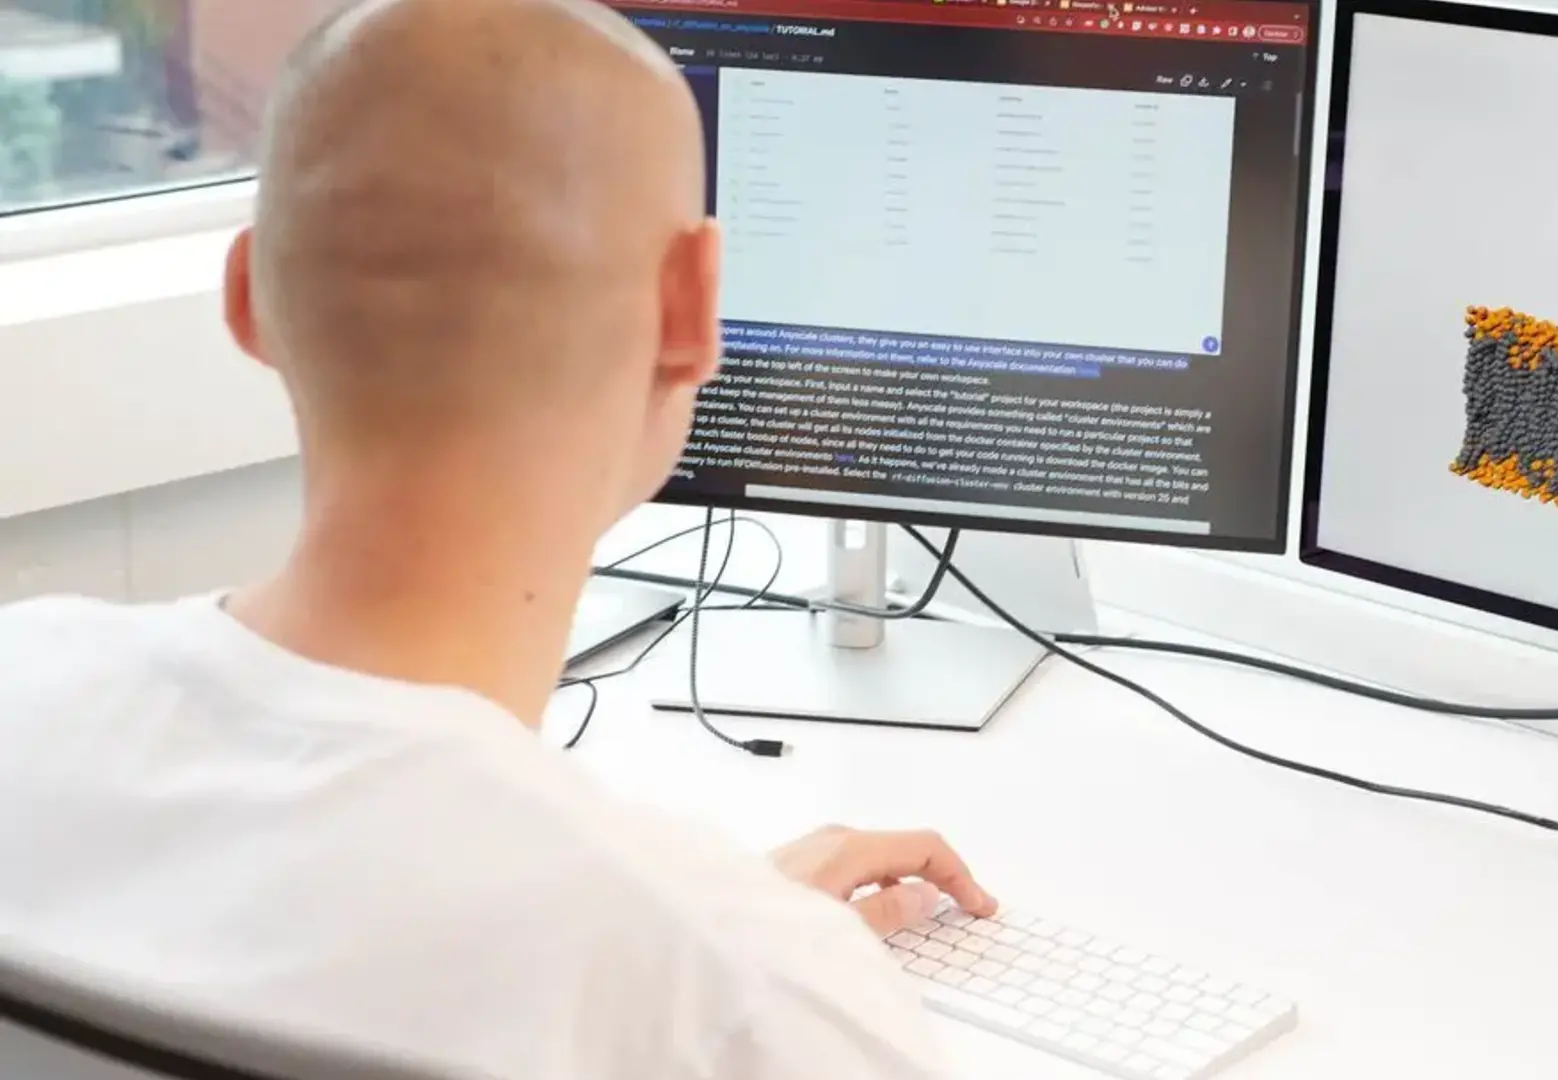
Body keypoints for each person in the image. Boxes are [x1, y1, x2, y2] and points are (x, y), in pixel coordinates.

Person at [0, 0, 992, 1076]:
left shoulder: (22, 684)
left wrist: (704, 924)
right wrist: (726, 944)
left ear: (246, 299)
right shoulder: (751, 1001)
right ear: (691, 307)